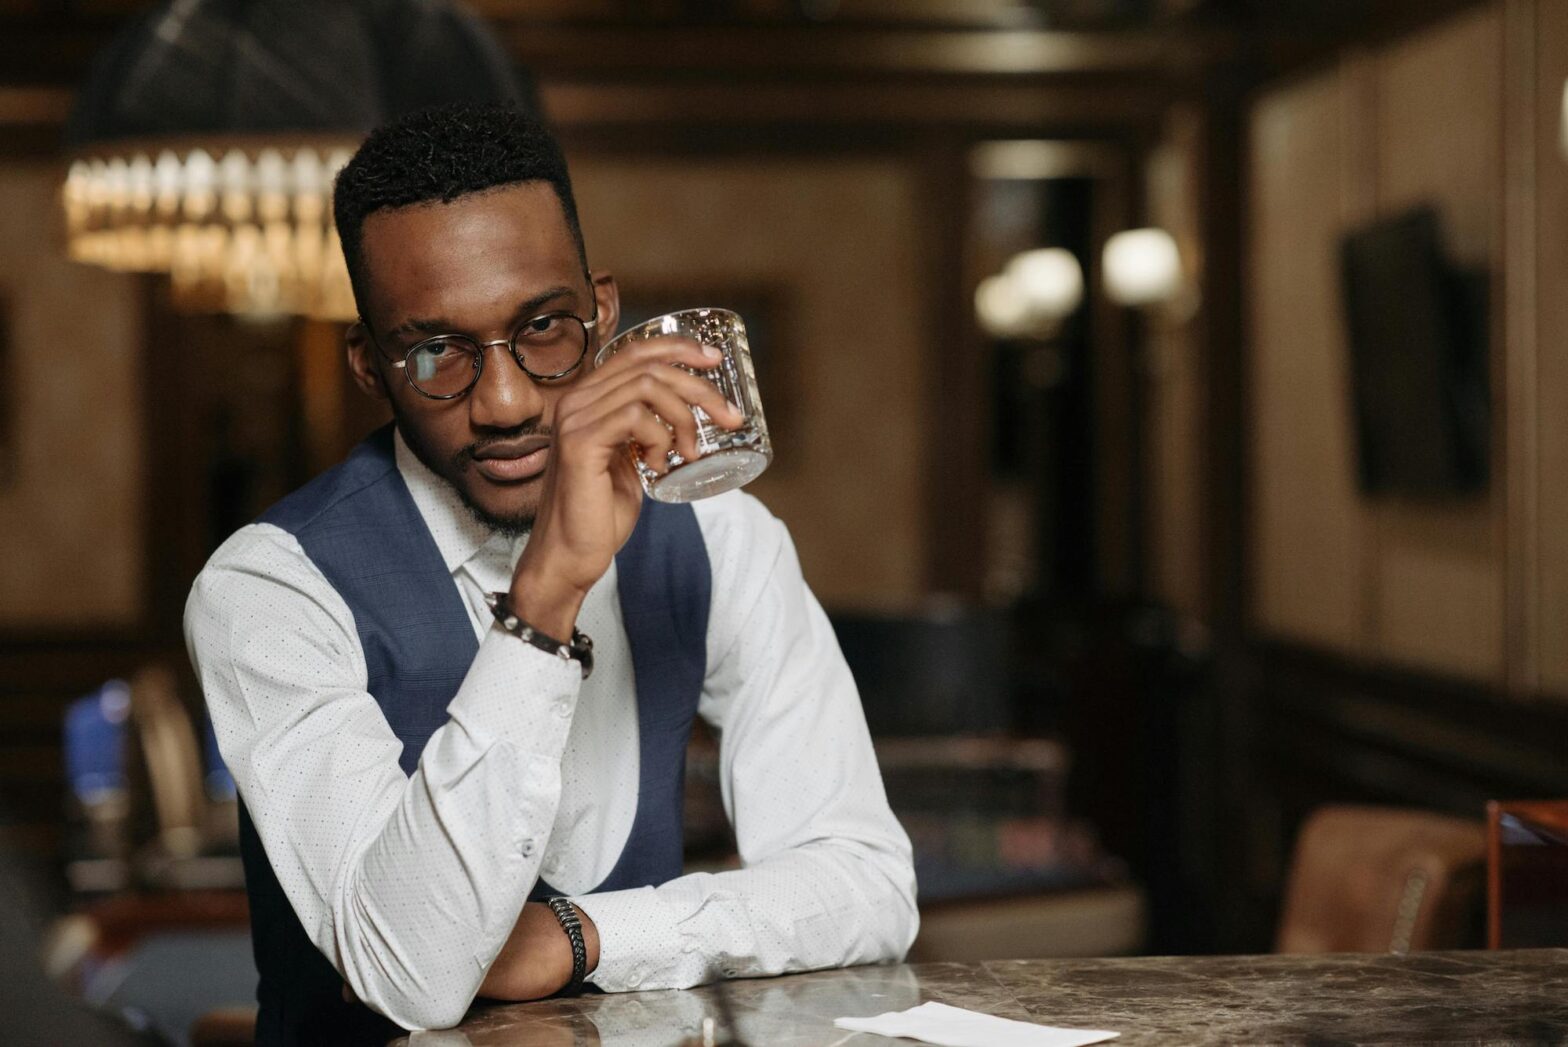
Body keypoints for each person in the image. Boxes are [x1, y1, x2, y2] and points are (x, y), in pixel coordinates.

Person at [186, 101, 917, 1044]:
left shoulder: (720, 536)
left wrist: (587, 934)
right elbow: (412, 974)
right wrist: (547, 595)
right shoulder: (268, 589)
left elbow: (866, 882)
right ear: (371, 366)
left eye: (543, 329)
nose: (503, 400)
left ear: (602, 312)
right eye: (435, 351)